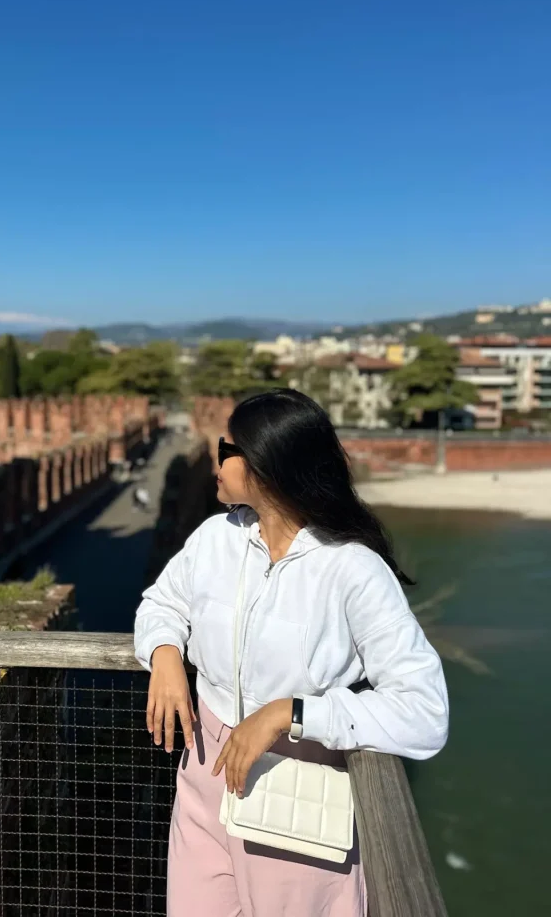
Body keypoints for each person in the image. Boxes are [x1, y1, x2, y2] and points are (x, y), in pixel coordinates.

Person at [134, 389, 448, 917]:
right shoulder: (216, 538)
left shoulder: (352, 568)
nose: (215, 459)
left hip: (292, 792)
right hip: (203, 777)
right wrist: (164, 653)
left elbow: (425, 710)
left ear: (264, 466)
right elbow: (161, 602)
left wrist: (291, 712)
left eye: (226, 450)